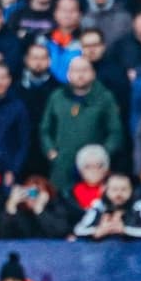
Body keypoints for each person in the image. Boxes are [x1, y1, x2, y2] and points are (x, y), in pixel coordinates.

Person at [40, 57, 124, 190]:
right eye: (75, 71)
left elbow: (115, 131)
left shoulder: (105, 97)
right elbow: (45, 129)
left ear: (93, 73)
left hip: (93, 166)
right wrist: (51, 151)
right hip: (62, 163)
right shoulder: (57, 96)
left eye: (84, 70)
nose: (80, 75)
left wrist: (103, 154)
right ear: (68, 74)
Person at [72, 172, 141, 241]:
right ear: (106, 190)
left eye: (124, 189)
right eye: (114, 189)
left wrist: (125, 230)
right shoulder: (98, 206)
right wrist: (99, 231)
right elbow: (79, 230)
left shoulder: (140, 206)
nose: (119, 194)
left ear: (131, 190)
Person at [0, 175, 76, 240]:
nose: (32, 197)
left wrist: (39, 210)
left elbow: (60, 232)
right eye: (29, 192)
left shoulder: (56, 208)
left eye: (36, 193)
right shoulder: (20, 212)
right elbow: (4, 234)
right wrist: (11, 206)